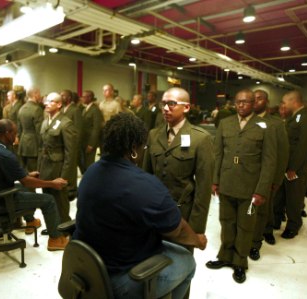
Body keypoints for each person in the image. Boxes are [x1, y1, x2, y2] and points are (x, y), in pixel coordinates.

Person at [73, 112, 207, 299]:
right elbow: (178, 232)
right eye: (144, 146)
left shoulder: (91, 172)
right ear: (134, 149)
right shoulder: (147, 186)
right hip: (119, 279)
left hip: (86, 266)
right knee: (187, 262)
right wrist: (198, 241)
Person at [206, 89, 276, 283]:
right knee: (226, 222)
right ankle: (225, 256)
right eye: (238, 102)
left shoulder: (264, 126)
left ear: (254, 103)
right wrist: (215, 180)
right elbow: (218, 154)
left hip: (250, 186)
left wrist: (261, 190)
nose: (241, 105)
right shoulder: (225, 123)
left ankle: (239, 262)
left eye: (246, 102)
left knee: (245, 226)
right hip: (227, 183)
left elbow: (269, 161)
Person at [0, 119, 69, 251]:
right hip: (1, 202)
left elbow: (12, 175)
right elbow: (26, 181)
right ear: (7, 133)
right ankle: (55, 240)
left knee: (23, 187)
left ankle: (30, 222)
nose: (16, 136)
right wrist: (52, 184)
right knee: (49, 200)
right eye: (15, 133)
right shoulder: (5, 155)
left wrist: (27, 175)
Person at [143, 87, 213, 237]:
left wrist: (197, 228)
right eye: (163, 104)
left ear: (186, 107)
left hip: (182, 213)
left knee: (181, 257)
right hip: (154, 210)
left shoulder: (200, 138)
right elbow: (146, 176)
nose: (166, 108)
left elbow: (203, 189)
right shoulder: (154, 135)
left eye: (172, 104)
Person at [250, 90, 289, 260]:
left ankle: (261, 236)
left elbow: (282, 153)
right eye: (253, 99)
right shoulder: (243, 121)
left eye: (259, 99)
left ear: (266, 101)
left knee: (263, 210)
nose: (255, 102)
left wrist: (276, 178)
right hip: (245, 176)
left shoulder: (275, 124)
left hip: (266, 176)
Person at [274, 90, 307, 239]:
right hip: (284, 166)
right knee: (280, 196)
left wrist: (293, 167)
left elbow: (303, 146)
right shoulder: (294, 117)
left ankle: (293, 225)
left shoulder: (306, 118)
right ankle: (276, 220)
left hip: (295, 168)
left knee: (294, 199)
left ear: (294, 101)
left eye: (285, 102)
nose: (283, 105)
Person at [38, 92, 77, 224]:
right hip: (45, 169)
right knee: (47, 201)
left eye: (51, 101)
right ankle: (53, 228)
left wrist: (65, 176)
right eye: (46, 101)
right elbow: (42, 148)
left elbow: (70, 154)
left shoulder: (66, 123)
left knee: (60, 203)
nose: (47, 104)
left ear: (59, 104)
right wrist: (39, 169)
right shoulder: (45, 122)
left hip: (58, 169)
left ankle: (65, 230)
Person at [61, 89, 81, 200]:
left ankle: (72, 190)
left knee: (72, 166)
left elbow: (78, 129)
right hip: (64, 142)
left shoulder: (75, 110)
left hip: (72, 143)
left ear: (69, 98)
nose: (61, 97)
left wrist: (75, 144)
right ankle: (66, 186)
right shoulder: (63, 109)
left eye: (63, 95)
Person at [17, 87, 44, 172]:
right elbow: (39, 130)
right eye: (39, 94)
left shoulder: (21, 108)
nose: (40, 96)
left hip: (23, 143)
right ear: (35, 94)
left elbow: (19, 128)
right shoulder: (37, 109)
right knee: (34, 171)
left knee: (24, 171)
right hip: (33, 144)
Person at [79, 90, 103, 174]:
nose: (82, 98)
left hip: (89, 142)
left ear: (89, 98)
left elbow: (96, 128)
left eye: (84, 97)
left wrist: (91, 144)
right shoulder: (85, 109)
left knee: (89, 164)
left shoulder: (95, 110)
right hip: (83, 141)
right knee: (84, 163)